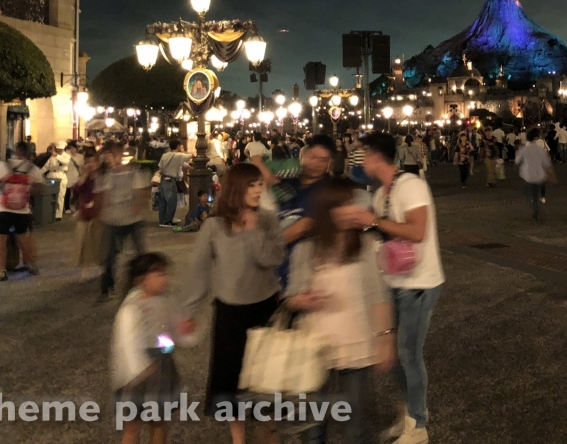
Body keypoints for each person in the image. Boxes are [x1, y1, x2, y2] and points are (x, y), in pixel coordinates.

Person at [338, 132, 445, 444]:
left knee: (408, 354)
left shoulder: (411, 185)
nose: (358, 159)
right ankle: (411, 411)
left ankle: (418, 426)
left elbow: (418, 231)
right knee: (396, 355)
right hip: (395, 281)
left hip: (419, 283)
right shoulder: (380, 194)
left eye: (362, 153)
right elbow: (381, 234)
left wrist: (373, 221)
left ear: (375, 155)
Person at [286, 178, 396, 444]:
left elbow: (379, 295)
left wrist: (385, 339)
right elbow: (291, 297)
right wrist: (304, 299)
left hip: (356, 344)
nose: (350, 210)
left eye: (351, 203)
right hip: (316, 346)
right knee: (314, 426)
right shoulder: (306, 249)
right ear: (327, 210)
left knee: (356, 425)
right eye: (343, 205)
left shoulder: (366, 244)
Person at [180, 163, 283, 444]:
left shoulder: (268, 220)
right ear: (236, 188)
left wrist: (253, 232)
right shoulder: (214, 225)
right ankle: (238, 438)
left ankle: (268, 432)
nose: (259, 190)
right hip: (230, 311)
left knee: (265, 377)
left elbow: (273, 259)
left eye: (260, 184)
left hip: (265, 308)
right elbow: (199, 270)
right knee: (230, 379)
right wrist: (190, 309)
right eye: (252, 185)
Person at [113, 252, 188, 444]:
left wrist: (183, 330)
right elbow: (126, 342)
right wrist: (138, 367)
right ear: (141, 280)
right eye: (159, 274)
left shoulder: (168, 300)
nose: (165, 279)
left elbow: (174, 328)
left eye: (165, 274)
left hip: (162, 365)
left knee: (159, 421)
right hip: (137, 375)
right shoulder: (131, 307)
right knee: (132, 424)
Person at [254, 134, 334, 289]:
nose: (316, 163)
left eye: (323, 160)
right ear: (304, 155)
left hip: (299, 273)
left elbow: (303, 227)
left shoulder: (325, 191)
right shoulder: (288, 183)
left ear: (329, 164)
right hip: (273, 270)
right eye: (313, 157)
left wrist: (264, 248)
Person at [98, 142, 150, 303]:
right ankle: (108, 287)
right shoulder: (109, 174)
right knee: (110, 256)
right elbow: (104, 195)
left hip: (131, 219)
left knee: (139, 254)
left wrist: (137, 207)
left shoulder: (134, 173)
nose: (116, 157)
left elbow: (141, 193)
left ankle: (143, 283)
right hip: (114, 219)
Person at [0, 141, 43, 281]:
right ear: (28, 153)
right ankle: (32, 265)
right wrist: (27, 193)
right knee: (24, 239)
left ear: (14, 152)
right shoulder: (33, 168)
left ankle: (1, 271)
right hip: (22, 210)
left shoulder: (2, 166)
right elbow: (40, 187)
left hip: (1, 209)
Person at [72, 152, 105, 282]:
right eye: (88, 162)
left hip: (99, 213)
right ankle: (85, 270)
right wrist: (84, 174)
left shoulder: (102, 177)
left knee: (99, 242)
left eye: (93, 162)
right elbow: (77, 188)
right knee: (83, 242)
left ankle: (102, 267)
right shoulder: (85, 177)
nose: (91, 165)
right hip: (85, 212)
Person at [516, 128, 554, 221]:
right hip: (539, 174)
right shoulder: (540, 150)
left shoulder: (524, 149)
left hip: (528, 175)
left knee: (529, 194)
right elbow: (547, 164)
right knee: (535, 192)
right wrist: (551, 175)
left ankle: (535, 209)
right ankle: (536, 207)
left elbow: (517, 161)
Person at [157, 139, 191, 228]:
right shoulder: (178, 155)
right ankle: (167, 221)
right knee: (172, 201)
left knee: (163, 201)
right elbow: (192, 156)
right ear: (178, 146)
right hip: (170, 180)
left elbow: (160, 168)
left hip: (163, 179)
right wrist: (183, 151)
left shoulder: (164, 155)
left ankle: (162, 220)